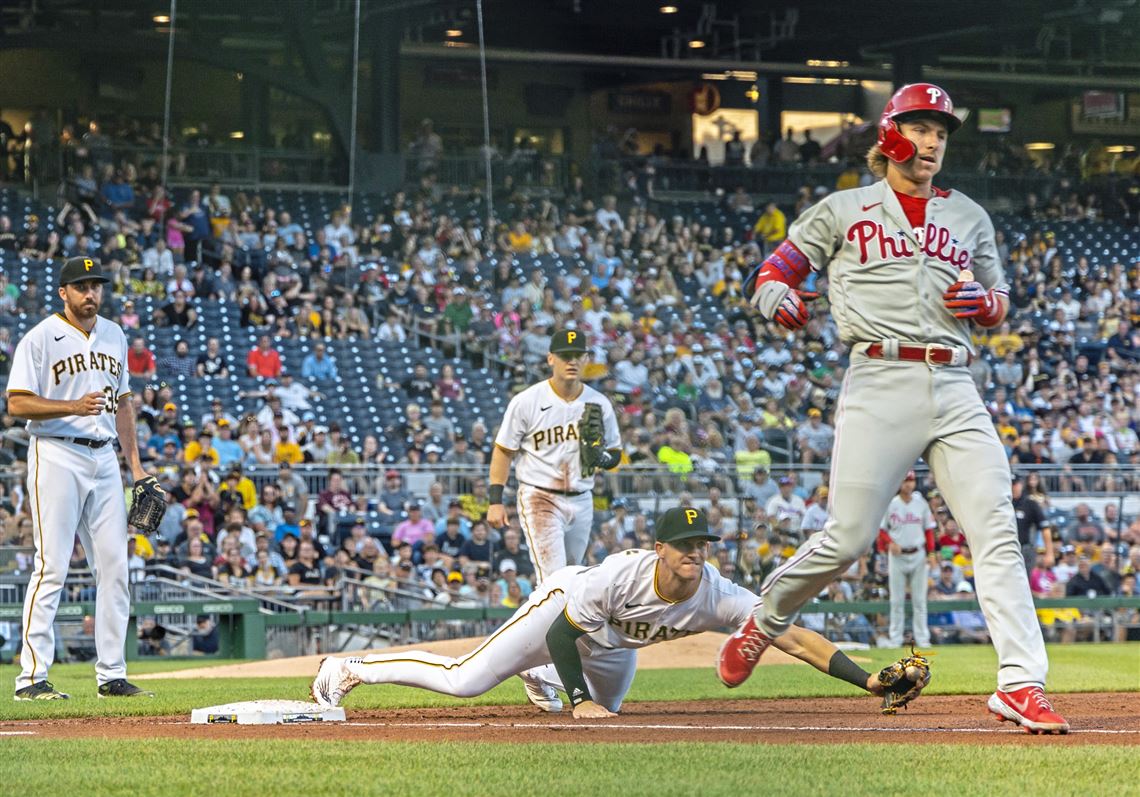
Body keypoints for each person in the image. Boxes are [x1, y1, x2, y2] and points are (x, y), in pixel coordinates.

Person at [719, 83, 1068, 734]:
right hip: (879, 376)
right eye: (922, 126)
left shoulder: (968, 216)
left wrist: (989, 306)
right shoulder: (844, 210)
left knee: (995, 527)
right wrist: (773, 298)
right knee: (847, 539)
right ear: (890, 133)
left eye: (942, 130)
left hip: (956, 381)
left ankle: (1021, 682)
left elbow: (999, 298)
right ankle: (763, 621)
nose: (934, 140)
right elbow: (774, 273)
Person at [311, 507, 905, 716]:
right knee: (465, 679)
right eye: (687, 547)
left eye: (705, 547)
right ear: (661, 549)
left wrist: (870, 680)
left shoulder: (716, 593)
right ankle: (349, 667)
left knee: (613, 707)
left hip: (613, 645)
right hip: (565, 610)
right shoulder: (621, 574)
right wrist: (580, 705)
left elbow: (792, 637)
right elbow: (567, 633)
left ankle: (542, 678)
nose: (698, 555)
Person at [7, 256, 155, 699]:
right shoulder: (40, 337)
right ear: (63, 292)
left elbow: (124, 403)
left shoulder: (114, 334)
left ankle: (112, 674)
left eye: (96, 286)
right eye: (81, 286)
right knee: (52, 566)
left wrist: (136, 467)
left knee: (115, 567)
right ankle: (31, 678)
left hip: (105, 457)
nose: (91, 294)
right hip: (56, 454)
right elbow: (16, 403)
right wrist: (71, 406)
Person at [487, 329, 621, 582]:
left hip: (582, 498)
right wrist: (495, 500)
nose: (571, 362)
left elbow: (615, 452)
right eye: (565, 356)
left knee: (572, 576)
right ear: (551, 359)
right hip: (540, 495)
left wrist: (601, 458)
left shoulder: (599, 403)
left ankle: (553, 621)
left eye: (577, 356)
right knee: (554, 580)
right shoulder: (526, 400)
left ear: (586, 359)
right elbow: (503, 450)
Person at [876, 471, 935, 648]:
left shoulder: (921, 503)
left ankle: (923, 640)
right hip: (897, 556)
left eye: (911, 480)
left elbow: (929, 529)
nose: (909, 484)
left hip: (918, 554)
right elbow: (881, 530)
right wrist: (889, 543)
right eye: (905, 481)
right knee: (896, 601)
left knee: (919, 601)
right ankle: (895, 639)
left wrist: (931, 553)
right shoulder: (891, 504)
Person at [1012, 475, 1054, 576]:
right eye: (1010, 484)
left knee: (1026, 580)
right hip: (1006, 549)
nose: (1012, 487)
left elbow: (1045, 528)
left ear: (1020, 485)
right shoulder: (1003, 504)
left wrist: (1049, 553)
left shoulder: (1030, 504)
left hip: (1025, 549)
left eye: (1014, 484)